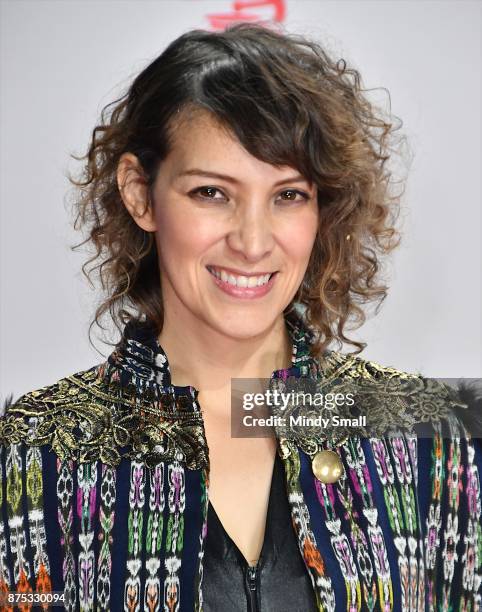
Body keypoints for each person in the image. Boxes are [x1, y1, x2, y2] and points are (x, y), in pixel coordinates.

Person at [0, 22, 481, 612]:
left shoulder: (427, 434)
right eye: (212, 193)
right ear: (139, 193)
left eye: (288, 195)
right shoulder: (35, 444)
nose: (253, 243)